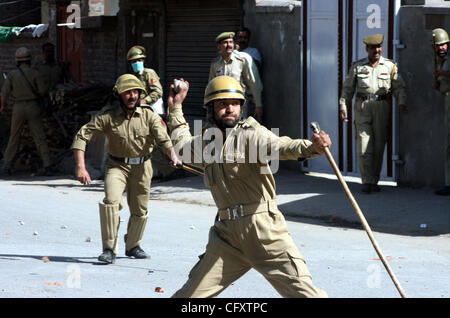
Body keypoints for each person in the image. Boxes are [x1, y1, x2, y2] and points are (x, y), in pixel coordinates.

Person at [166, 75, 329, 298]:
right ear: (211, 108)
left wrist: (312, 147)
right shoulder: (206, 142)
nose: (229, 109)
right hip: (226, 237)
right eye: (222, 104)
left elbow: (282, 146)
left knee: (308, 296)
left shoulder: (252, 134)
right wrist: (175, 108)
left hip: (264, 233)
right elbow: (182, 146)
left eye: (234, 103)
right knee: (188, 298)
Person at [71, 74, 182, 264]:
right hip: (117, 166)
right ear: (119, 95)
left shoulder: (148, 115)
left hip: (143, 167)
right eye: (127, 92)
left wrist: (173, 156)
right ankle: (109, 249)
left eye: (135, 92)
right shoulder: (107, 116)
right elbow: (82, 137)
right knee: (110, 203)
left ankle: (133, 245)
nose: (131, 96)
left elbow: (163, 139)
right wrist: (81, 167)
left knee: (140, 209)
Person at [339, 34, 408, 194]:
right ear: (367, 49)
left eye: (378, 47)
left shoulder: (390, 66)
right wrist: (344, 106)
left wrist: (402, 102)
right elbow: (348, 89)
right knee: (364, 145)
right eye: (372, 48)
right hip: (362, 107)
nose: (376, 50)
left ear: (381, 48)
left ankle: (374, 180)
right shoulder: (357, 67)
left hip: (381, 106)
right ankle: (366, 181)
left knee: (378, 145)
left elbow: (399, 87)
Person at [0, 47, 52, 176]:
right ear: (29, 59)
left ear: (17, 60)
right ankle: (47, 165)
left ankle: (7, 165)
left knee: (14, 137)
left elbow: (4, 93)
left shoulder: (12, 74)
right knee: (39, 136)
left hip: (18, 107)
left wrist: (3, 106)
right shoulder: (35, 73)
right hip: (33, 106)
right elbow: (43, 91)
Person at [126, 45, 175, 180]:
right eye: (134, 62)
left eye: (139, 60)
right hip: (142, 113)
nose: (137, 64)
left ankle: (170, 171)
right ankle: (162, 171)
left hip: (155, 112)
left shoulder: (149, 73)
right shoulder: (133, 77)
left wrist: (144, 101)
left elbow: (158, 92)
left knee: (155, 144)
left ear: (143, 60)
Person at [209, 32, 263, 122]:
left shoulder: (241, 62)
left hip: (238, 105)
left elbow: (253, 83)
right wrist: (208, 106)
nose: (229, 45)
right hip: (221, 106)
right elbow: (211, 86)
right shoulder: (215, 64)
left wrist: (258, 105)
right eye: (225, 42)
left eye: (231, 42)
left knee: (239, 129)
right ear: (219, 46)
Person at [431, 28, 450, 196]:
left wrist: (441, 73)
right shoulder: (441, 60)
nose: (441, 48)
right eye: (438, 45)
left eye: (443, 45)